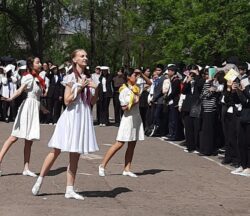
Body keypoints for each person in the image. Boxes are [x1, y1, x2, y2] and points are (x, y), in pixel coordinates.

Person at [32, 49, 99, 200]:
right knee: (56, 150)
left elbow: (92, 102)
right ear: (74, 59)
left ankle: (70, 189)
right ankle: (40, 179)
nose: (85, 58)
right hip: (71, 116)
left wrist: (96, 88)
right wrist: (80, 87)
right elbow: (67, 101)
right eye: (82, 56)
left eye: (86, 56)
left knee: (75, 153)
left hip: (83, 115)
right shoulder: (70, 77)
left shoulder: (90, 77)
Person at [0, 57, 47, 177]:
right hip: (27, 109)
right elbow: (20, 90)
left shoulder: (37, 79)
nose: (40, 64)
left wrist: (43, 109)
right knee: (14, 137)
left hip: (34, 109)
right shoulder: (29, 77)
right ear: (31, 65)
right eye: (38, 62)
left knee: (29, 141)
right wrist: (10, 98)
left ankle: (26, 168)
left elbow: (36, 97)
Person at [98, 68, 144, 178]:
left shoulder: (136, 88)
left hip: (136, 118)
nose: (136, 77)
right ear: (128, 77)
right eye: (134, 75)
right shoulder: (124, 90)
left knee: (132, 144)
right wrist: (134, 102)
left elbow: (149, 83)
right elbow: (124, 107)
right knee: (119, 143)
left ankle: (127, 168)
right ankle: (102, 165)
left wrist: (141, 74)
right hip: (128, 119)